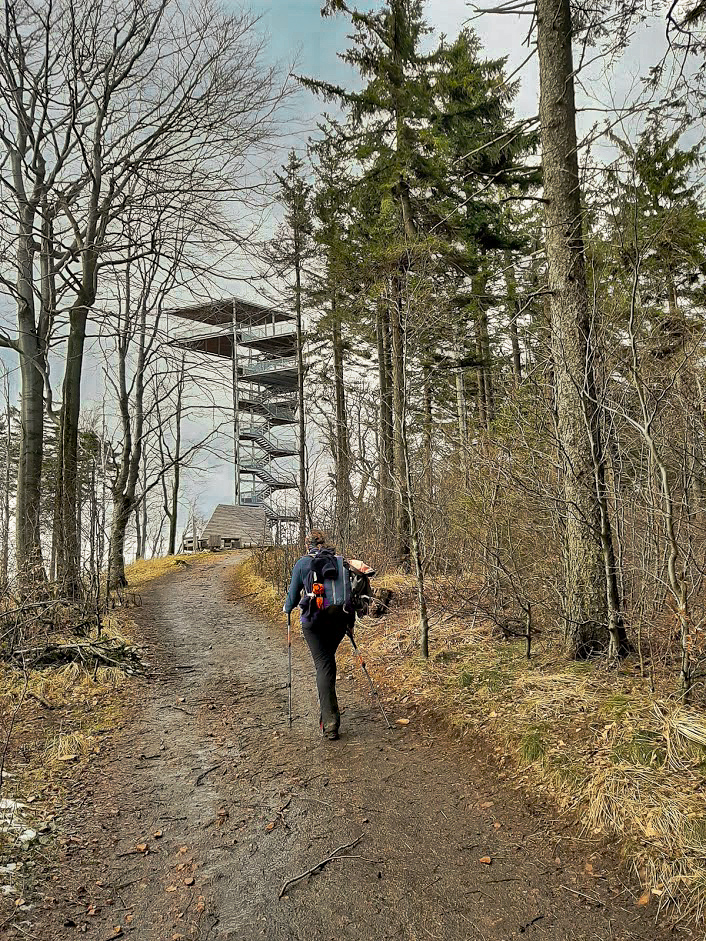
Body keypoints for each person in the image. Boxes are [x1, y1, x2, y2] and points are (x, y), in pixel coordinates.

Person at [284, 529, 353, 740]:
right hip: (339, 620)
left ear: (307, 545)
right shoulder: (339, 561)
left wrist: (287, 608)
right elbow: (349, 593)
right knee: (328, 662)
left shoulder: (302, 563)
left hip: (313, 622)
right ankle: (328, 714)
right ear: (324, 542)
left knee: (324, 664)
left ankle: (330, 724)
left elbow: (292, 597)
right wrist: (350, 623)